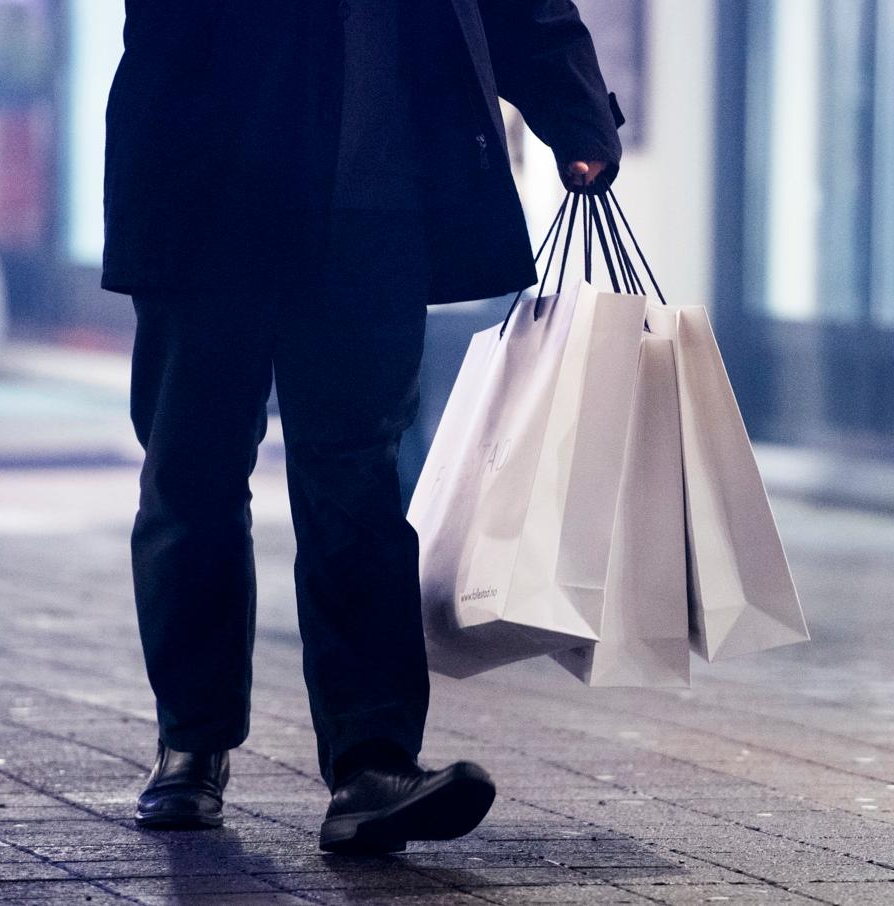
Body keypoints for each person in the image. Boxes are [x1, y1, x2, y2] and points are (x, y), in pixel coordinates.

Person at [103, 0, 621, 854]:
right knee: (190, 472)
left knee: (358, 480)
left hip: (371, 203)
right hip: (207, 190)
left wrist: (575, 114)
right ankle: (191, 743)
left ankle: (371, 764)